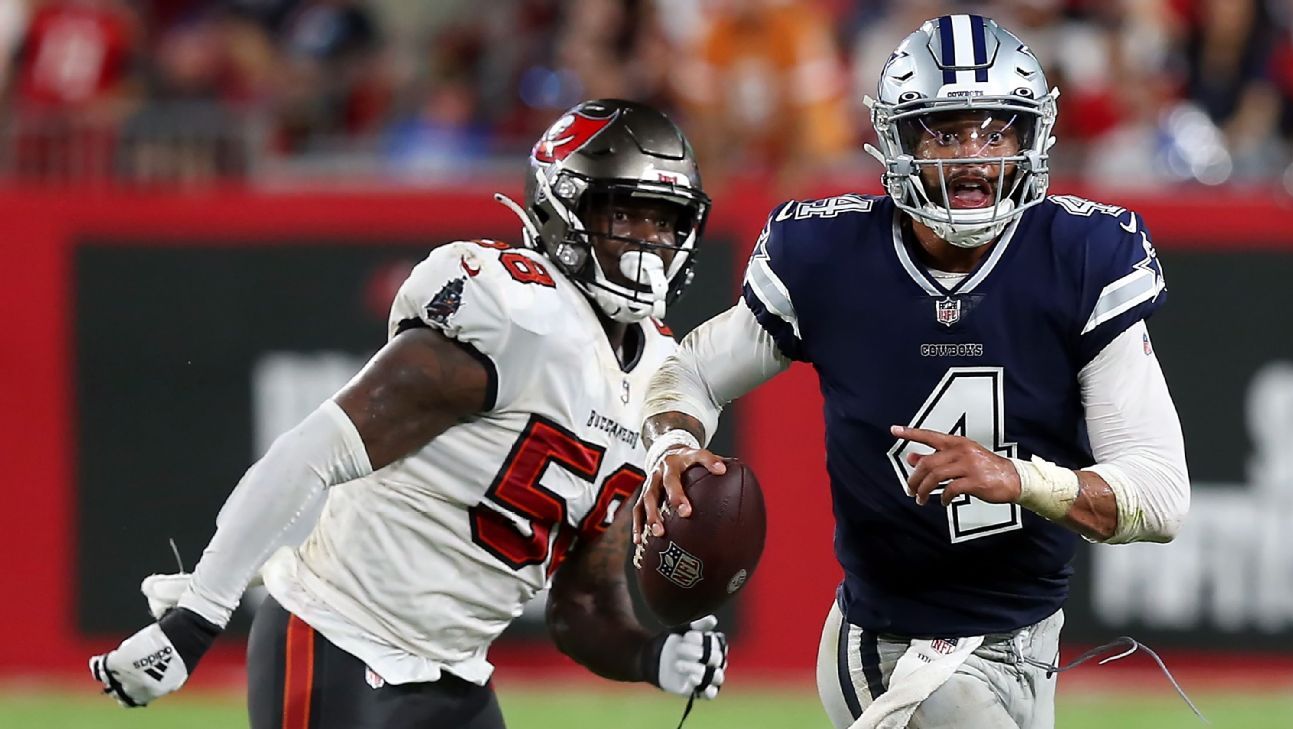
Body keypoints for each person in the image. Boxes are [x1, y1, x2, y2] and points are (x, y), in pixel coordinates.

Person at [88, 98, 727, 728]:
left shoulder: (664, 382)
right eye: (623, 212)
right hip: (337, 636)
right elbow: (310, 453)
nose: (647, 240)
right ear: (561, 209)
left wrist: (653, 654)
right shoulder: (515, 314)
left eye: (664, 220)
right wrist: (196, 619)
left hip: (455, 673)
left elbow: (583, 603)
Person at [633, 15, 1190, 729]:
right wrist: (671, 446)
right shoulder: (830, 255)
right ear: (899, 139)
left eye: (997, 132)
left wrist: (1018, 478)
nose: (973, 158)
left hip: (1031, 639)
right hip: (892, 647)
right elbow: (693, 370)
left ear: (1032, 139)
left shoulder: (1081, 259)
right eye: (946, 132)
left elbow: (1160, 494)